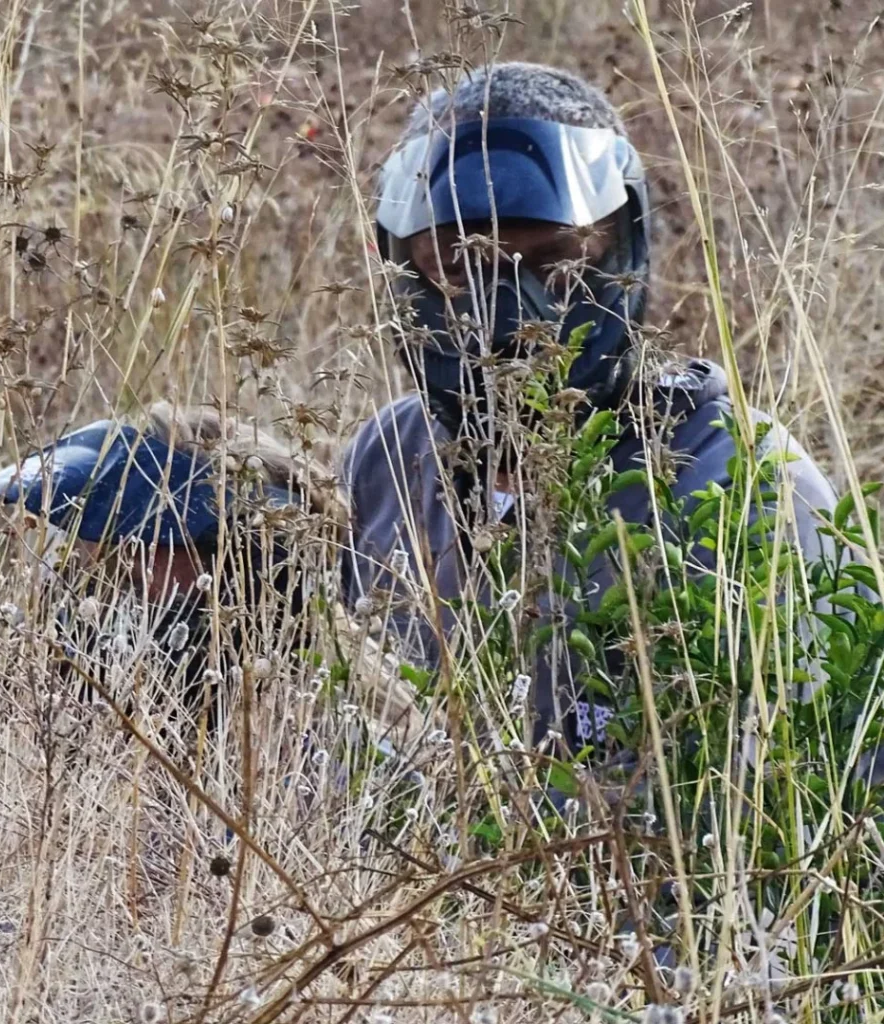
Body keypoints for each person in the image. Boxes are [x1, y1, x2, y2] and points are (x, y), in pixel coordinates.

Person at [340, 63, 843, 765]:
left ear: (622, 256)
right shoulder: (388, 458)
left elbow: (776, 810)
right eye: (459, 268)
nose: (509, 319)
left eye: (557, 267)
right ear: (409, 272)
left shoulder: (744, 487)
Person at [0, 402, 424, 741]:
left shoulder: (331, 728)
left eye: (146, 550)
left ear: (239, 561)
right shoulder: (83, 674)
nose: (121, 575)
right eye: (112, 557)